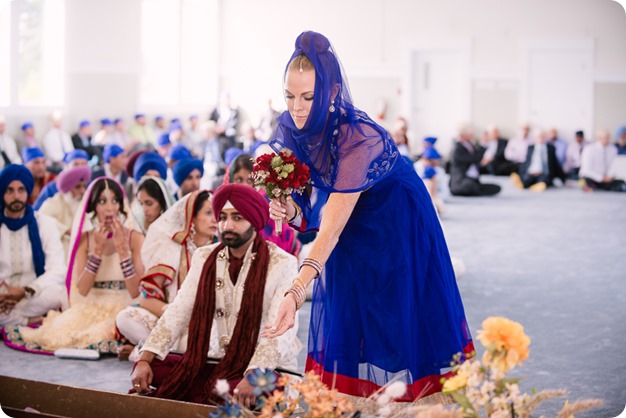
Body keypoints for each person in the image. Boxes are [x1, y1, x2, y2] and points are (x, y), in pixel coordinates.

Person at [263, 31, 474, 403]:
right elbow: (307, 203)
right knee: (348, 298)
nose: (297, 108)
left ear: (330, 93)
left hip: (396, 216)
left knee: (397, 308)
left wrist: (296, 291)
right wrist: (289, 208)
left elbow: (329, 227)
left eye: (308, 97)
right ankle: (352, 401)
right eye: (290, 95)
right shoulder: (291, 128)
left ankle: (413, 402)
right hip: (349, 214)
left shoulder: (357, 138)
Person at [130, 184, 301, 406]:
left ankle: (223, 392)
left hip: (266, 366)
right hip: (214, 361)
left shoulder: (282, 263)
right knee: (148, 367)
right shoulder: (205, 257)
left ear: (254, 220)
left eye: (237, 218)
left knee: (265, 388)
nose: (227, 225)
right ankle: (221, 395)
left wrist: (254, 375)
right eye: (222, 217)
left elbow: (278, 330)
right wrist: (145, 357)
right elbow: (178, 310)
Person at [13, 177, 145, 354]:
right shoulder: (86, 239)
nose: (109, 208)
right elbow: (82, 289)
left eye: (114, 201)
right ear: (92, 207)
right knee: (63, 333)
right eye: (102, 201)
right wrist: (96, 253)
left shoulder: (135, 238)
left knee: (104, 332)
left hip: (125, 306)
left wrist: (123, 253)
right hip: (92, 305)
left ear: (121, 205)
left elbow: (136, 291)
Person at [116, 190, 217, 358]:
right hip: (172, 321)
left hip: (206, 325)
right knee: (126, 317)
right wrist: (175, 314)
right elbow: (145, 299)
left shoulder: (220, 250)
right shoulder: (171, 250)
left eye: (217, 213)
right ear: (191, 217)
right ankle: (167, 350)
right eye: (208, 213)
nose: (215, 219)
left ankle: (152, 350)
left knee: (215, 337)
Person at [0, 165, 67, 328]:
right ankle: (29, 322)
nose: (16, 196)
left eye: (21, 190)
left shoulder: (44, 223)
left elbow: (57, 269)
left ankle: (11, 321)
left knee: (60, 294)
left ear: (27, 191)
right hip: (2, 297)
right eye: (10, 190)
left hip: (31, 296)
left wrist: (25, 290)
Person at [224, 153, 301, 258]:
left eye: (250, 180)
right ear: (231, 180)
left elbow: (285, 236)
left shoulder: (266, 202)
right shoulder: (224, 205)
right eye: (239, 180)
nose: (245, 185)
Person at [38, 165, 91, 257]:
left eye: (84, 186)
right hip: (59, 255)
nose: (83, 191)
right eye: (77, 187)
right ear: (68, 188)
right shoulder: (53, 203)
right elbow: (40, 220)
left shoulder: (85, 203)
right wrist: (66, 230)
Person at [448, 124, 501, 196]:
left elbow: (476, 160)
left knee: (496, 188)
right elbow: (474, 158)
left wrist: (483, 162)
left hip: (472, 179)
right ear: (463, 135)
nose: (472, 135)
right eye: (470, 133)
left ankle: (476, 189)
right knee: (469, 185)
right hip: (461, 180)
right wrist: (483, 145)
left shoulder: (470, 145)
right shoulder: (457, 148)